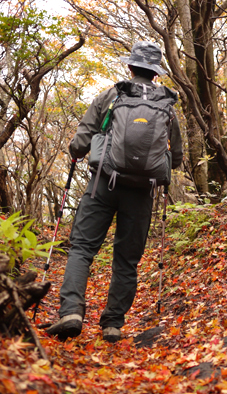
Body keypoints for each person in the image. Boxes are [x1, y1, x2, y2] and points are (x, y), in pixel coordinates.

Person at [47, 42, 183, 343]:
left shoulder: (112, 95)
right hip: (142, 192)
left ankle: (71, 311)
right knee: (127, 259)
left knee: (82, 248)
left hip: (101, 185)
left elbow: (79, 144)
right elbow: (178, 157)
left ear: (130, 67)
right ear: (156, 73)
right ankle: (112, 323)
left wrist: (79, 150)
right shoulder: (166, 105)